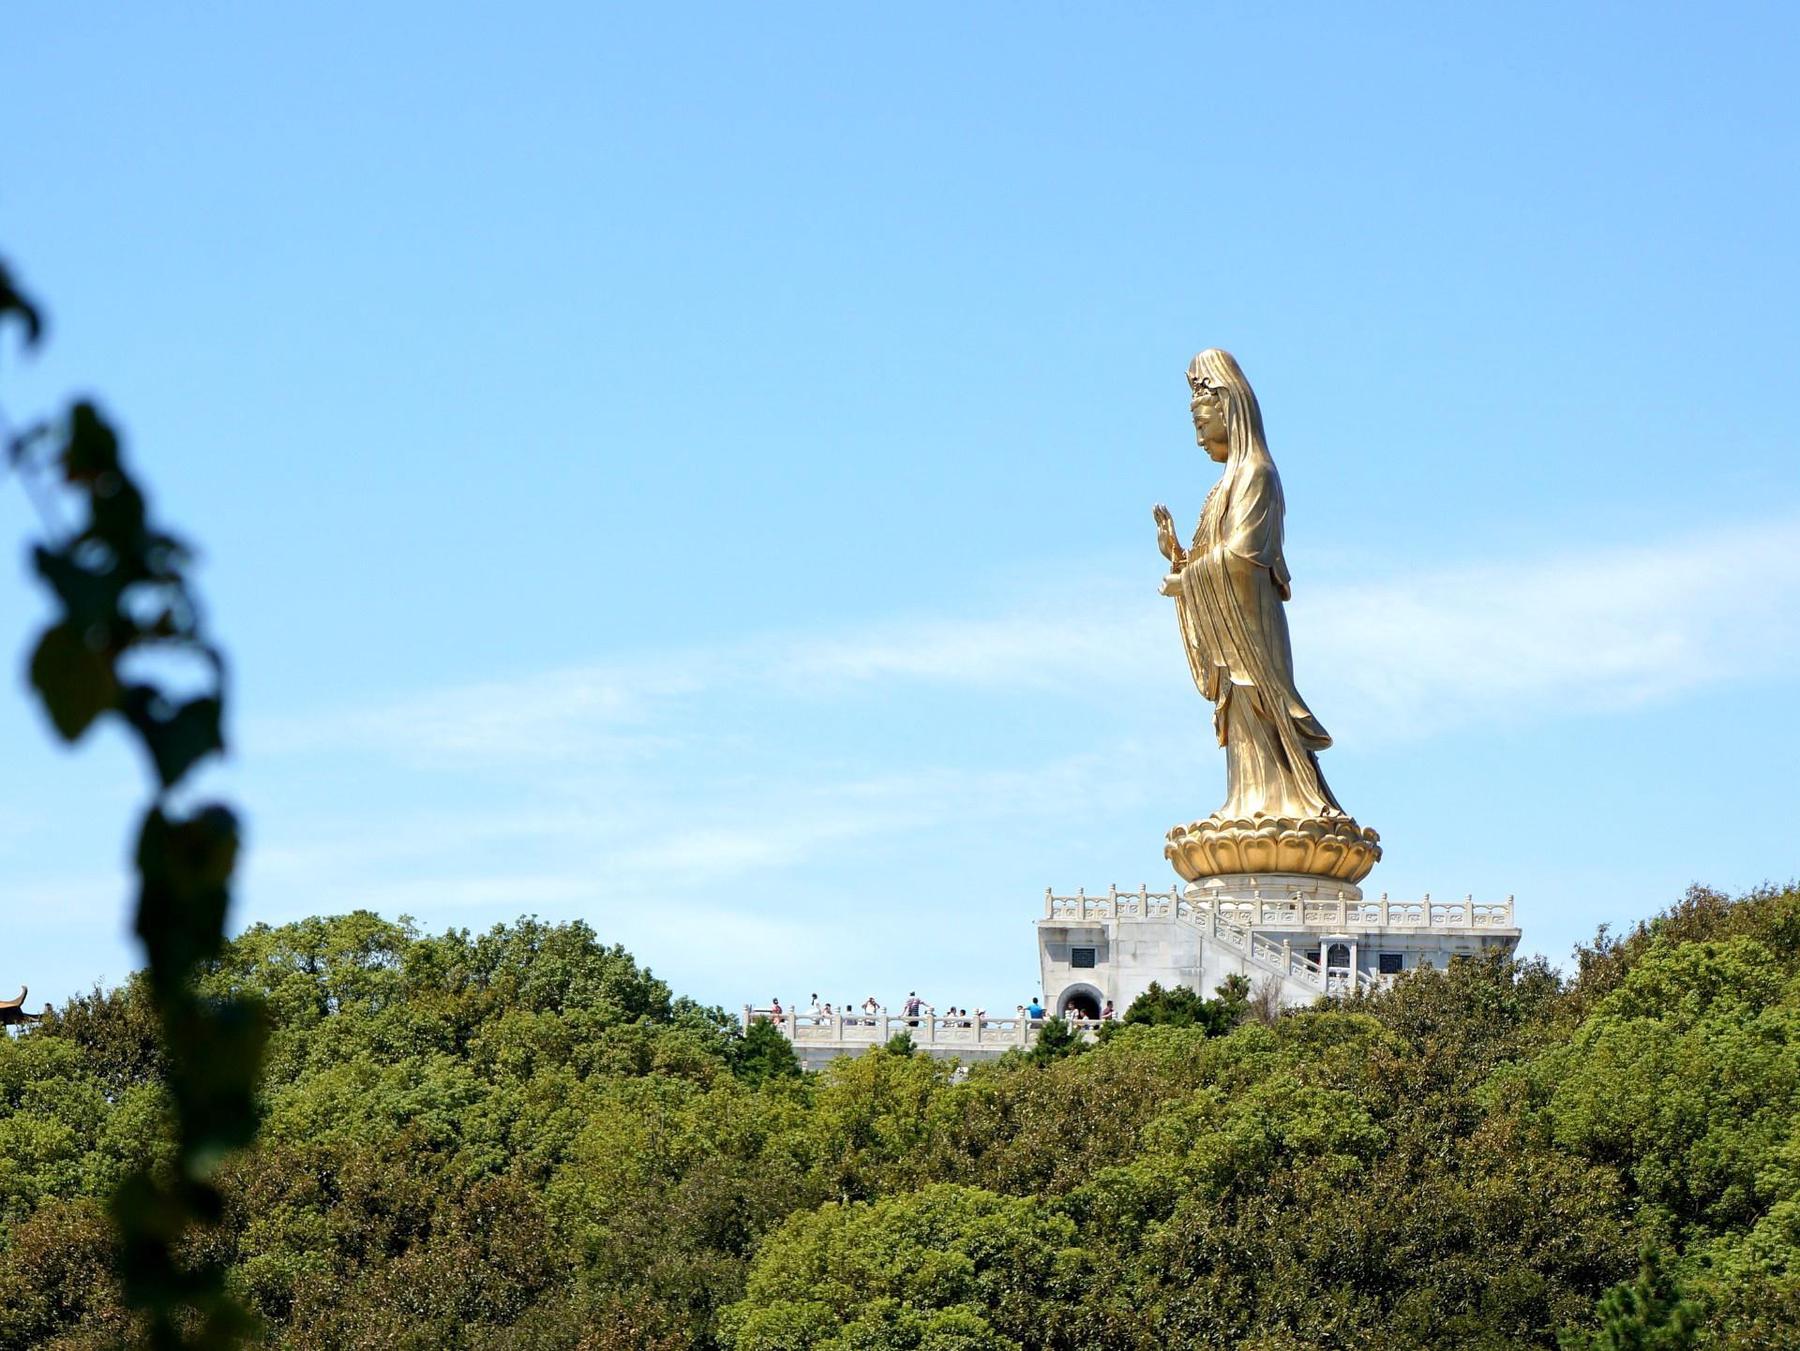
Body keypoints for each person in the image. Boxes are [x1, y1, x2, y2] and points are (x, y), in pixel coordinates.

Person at [1154, 348, 1348, 823]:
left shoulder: (1255, 474)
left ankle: (1280, 800)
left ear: (1229, 409)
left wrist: (1188, 580)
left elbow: (1242, 557)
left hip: (1252, 627)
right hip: (1229, 627)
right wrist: (1180, 556)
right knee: (1238, 709)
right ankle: (1248, 798)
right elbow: (1212, 557)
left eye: (1203, 424)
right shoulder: (1220, 486)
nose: (1199, 439)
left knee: (1260, 705)